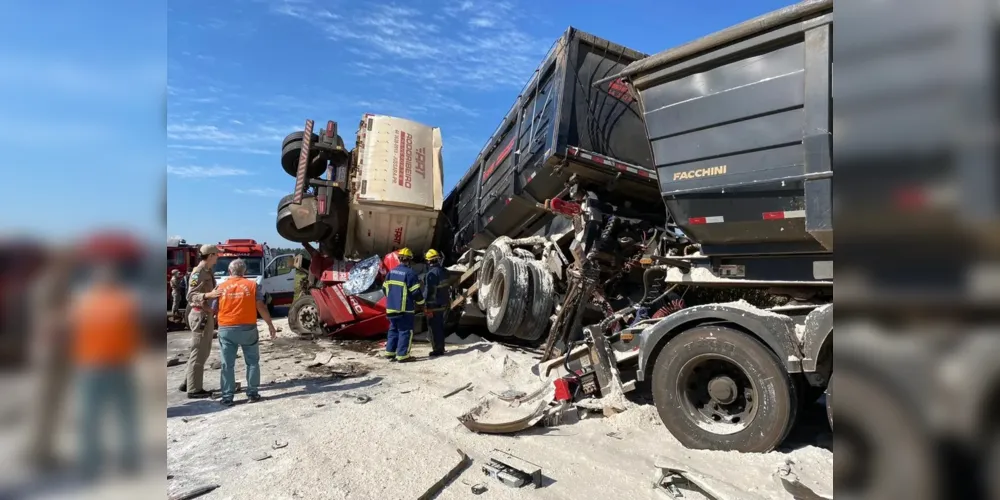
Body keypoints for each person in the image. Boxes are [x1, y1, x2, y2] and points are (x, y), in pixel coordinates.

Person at [69, 262, 142, 479]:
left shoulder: (81, 302)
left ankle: (90, 462)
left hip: (90, 365)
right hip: (119, 365)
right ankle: (128, 459)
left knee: (91, 415)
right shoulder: (125, 302)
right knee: (125, 414)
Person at [203, 258, 277, 407]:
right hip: (247, 328)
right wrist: (270, 324)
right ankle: (252, 393)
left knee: (227, 364)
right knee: (252, 362)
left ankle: (227, 397)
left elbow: (213, 308)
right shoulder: (252, 286)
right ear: (245, 272)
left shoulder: (221, 287)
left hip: (226, 328)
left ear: (230, 271)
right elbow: (261, 307)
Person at [178, 244, 219, 398]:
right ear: (210, 256)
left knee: (201, 350)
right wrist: (208, 296)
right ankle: (194, 389)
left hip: (204, 314)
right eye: (216, 254)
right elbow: (190, 296)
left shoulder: (207, 271)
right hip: (200, 315)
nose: (218, 257)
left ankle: (188, 382)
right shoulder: (198, 272)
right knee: (200, 351)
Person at [382, 248, 424, 362]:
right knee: (405, 331)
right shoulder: (410, 274)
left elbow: (385, 289)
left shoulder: (391, 272)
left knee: (393, 330)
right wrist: (422, 304)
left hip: (391, 308)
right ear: (409, 260)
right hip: (405, 309)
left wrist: (392, 299)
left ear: (399, 259)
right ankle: (402, 355)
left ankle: (390, 352)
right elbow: (416, 292)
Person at [423, 249, 450, 356]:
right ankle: (441, 347)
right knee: (439, 326)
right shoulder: (444, 271)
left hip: (432, 305)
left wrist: (421, 303)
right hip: (443, 303)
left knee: (433, 328)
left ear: (429, 261)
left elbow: (428, 292)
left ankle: (437, 349)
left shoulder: (431, 274)